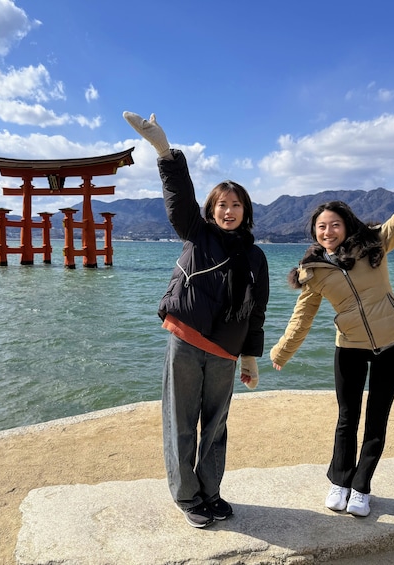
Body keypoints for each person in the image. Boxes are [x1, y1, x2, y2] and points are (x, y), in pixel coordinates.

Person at [270, 149, 394, 517]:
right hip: (349, 347)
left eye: (333, 224)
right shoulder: (313, 271)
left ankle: (362, 487)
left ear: (346, 224)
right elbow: (302, 317)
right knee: (347, 417)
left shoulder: (375, 243)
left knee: (377, 417)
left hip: (392, 343)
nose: (327, 231)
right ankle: (339, 481)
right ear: (314, 232)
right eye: (321, 227)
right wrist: (282, 352)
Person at [123, 111, 270, 528]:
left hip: (225, 351)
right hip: (186, 342)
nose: (229, 210)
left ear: (246, 211)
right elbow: (178, 198)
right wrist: (164, 150)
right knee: (181, 423)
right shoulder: (196, 233)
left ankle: (211, 491)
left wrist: (250, 358)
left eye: (236, 204)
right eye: (222, 205)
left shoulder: (256, 257)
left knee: (216, 427)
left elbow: (256, 311)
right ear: (211, 210)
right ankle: (188, 497)